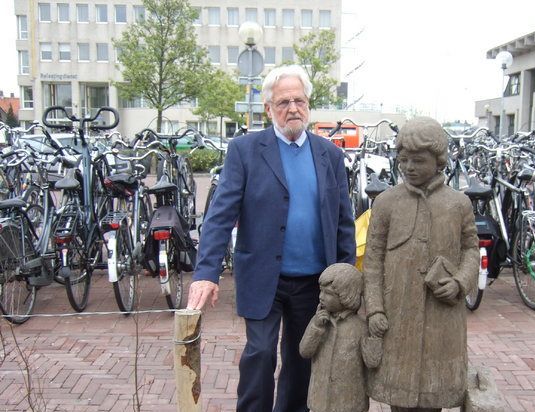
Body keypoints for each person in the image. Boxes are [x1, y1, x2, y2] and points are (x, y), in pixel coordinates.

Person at [187, 64, 356, 412]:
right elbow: (220, 217)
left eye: (299, 100)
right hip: (265, 276)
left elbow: (343, 221)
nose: (292, 108)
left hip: (315, 281)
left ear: (308, 103)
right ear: (268, 108)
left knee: (302, 359)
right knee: (261, 354)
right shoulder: (246, 151)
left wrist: (347, 276)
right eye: (283, 102)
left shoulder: (331, 156)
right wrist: (206, 273)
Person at [362, 116, 479, 412]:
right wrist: (375, 308)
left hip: (442, 317)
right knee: (398, 396)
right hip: (397, 315)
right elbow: (373, 261)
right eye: (403, 160)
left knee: (433, 395)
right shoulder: (386, 203)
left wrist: (460, 282)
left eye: (418, 160)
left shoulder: (458, 204)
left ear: (439, 161)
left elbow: (471, 250)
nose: (409, 167)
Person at [299, 263, 371, 412]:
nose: (321, 297)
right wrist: (317, 327)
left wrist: (375, 340)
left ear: (346, 296)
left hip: (350, 401)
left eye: (328, 293)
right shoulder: (319, 322)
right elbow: (304, 351)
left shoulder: (361, 327)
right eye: (321, 291)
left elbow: (371, 362)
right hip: (320, 399)